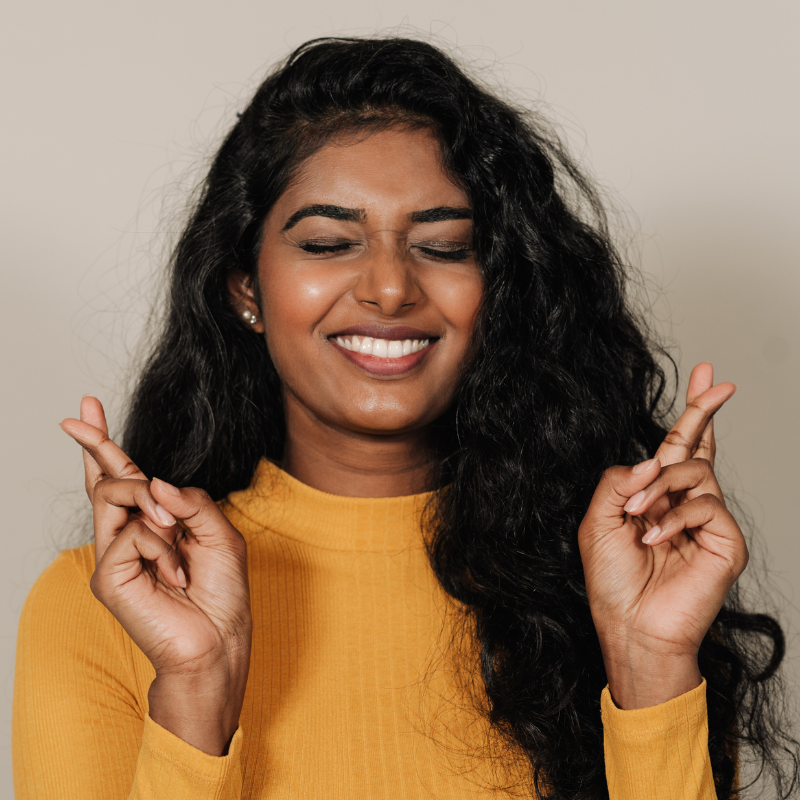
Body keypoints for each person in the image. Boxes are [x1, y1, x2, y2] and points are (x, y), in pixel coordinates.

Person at [12, 37, 797, 800]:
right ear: (245, 288)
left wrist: (651, 660)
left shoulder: (622, 592)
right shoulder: (105, 606)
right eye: (327, 243)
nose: (389, 288)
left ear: (500, 291)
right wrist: (193, 690)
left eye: (447, 247)